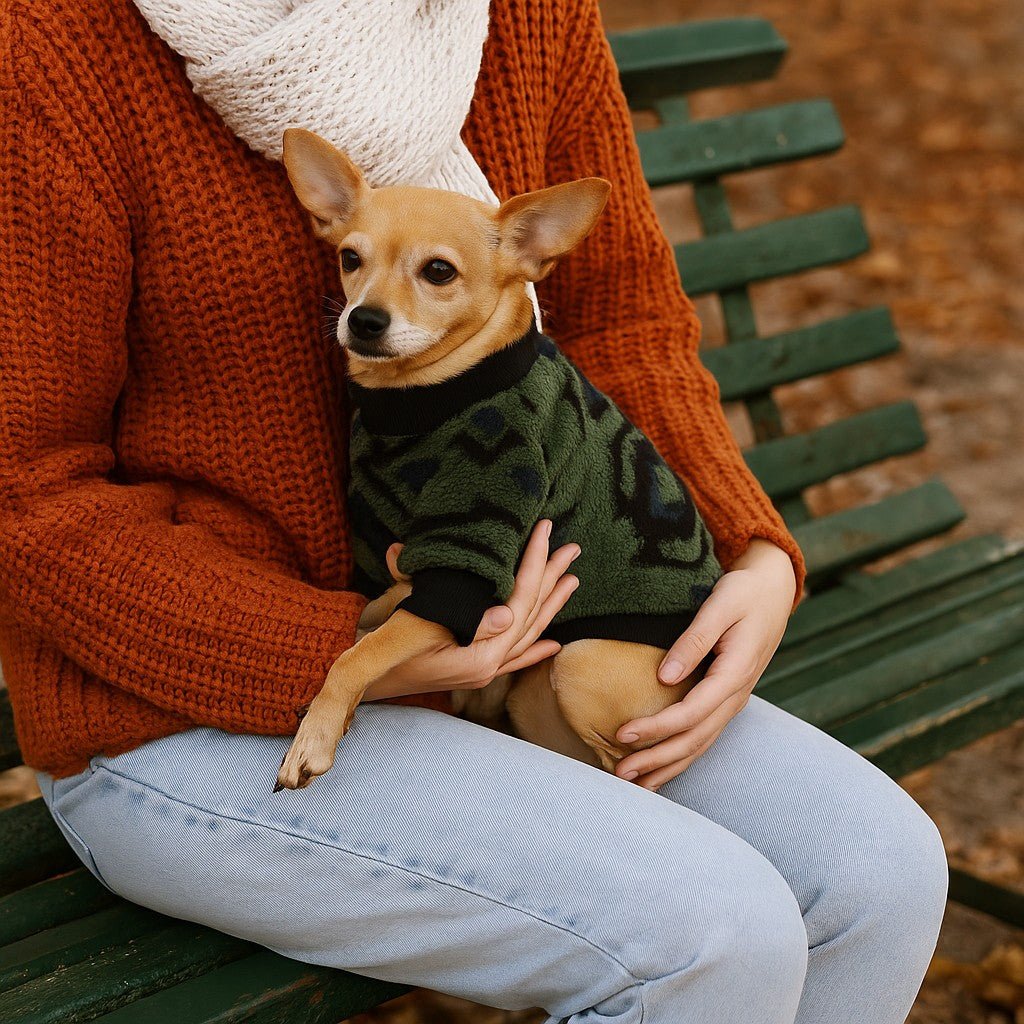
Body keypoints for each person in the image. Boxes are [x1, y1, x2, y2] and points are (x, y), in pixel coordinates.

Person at [0, 1, 947, 1021]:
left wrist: (746, 547)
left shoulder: (520, 12)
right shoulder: (55, 43)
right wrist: (351, 649)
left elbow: (619, 315)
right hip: (185, 708)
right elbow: (27, 491)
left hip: (521, 658)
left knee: (875, 872)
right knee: (708, 937)